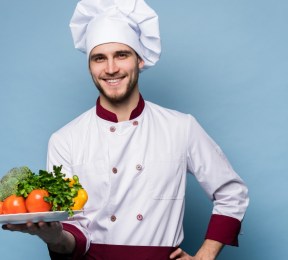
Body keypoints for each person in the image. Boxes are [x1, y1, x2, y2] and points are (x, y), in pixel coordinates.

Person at [3, 0, 249, 259]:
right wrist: (53, 236)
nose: (111, 69)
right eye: (99, 58)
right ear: (90, 66)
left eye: (122, 55)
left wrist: (206, 254)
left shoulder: (180, 127)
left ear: (140, 59)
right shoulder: (65, 140)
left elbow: (232, 192)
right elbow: (73, 234)